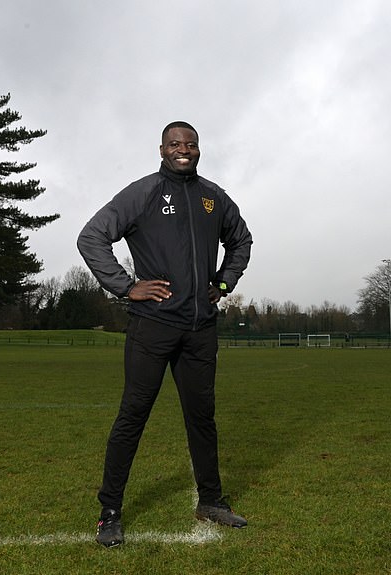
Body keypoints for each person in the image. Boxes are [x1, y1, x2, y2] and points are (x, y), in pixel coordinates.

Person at [77, 121, 253, 548]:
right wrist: (125, 286)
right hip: (153, 327)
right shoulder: (144, 192)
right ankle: (110, 513)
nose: (184, 150)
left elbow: (242, 240)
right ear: (161, 148)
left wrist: (224, 284)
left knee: (202, 417)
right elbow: (92, 237)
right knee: (132, 416)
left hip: (200, 330)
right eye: (176, 144)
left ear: (199, 149)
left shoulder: (214, 197)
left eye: (191, 144)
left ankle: (210, 500)